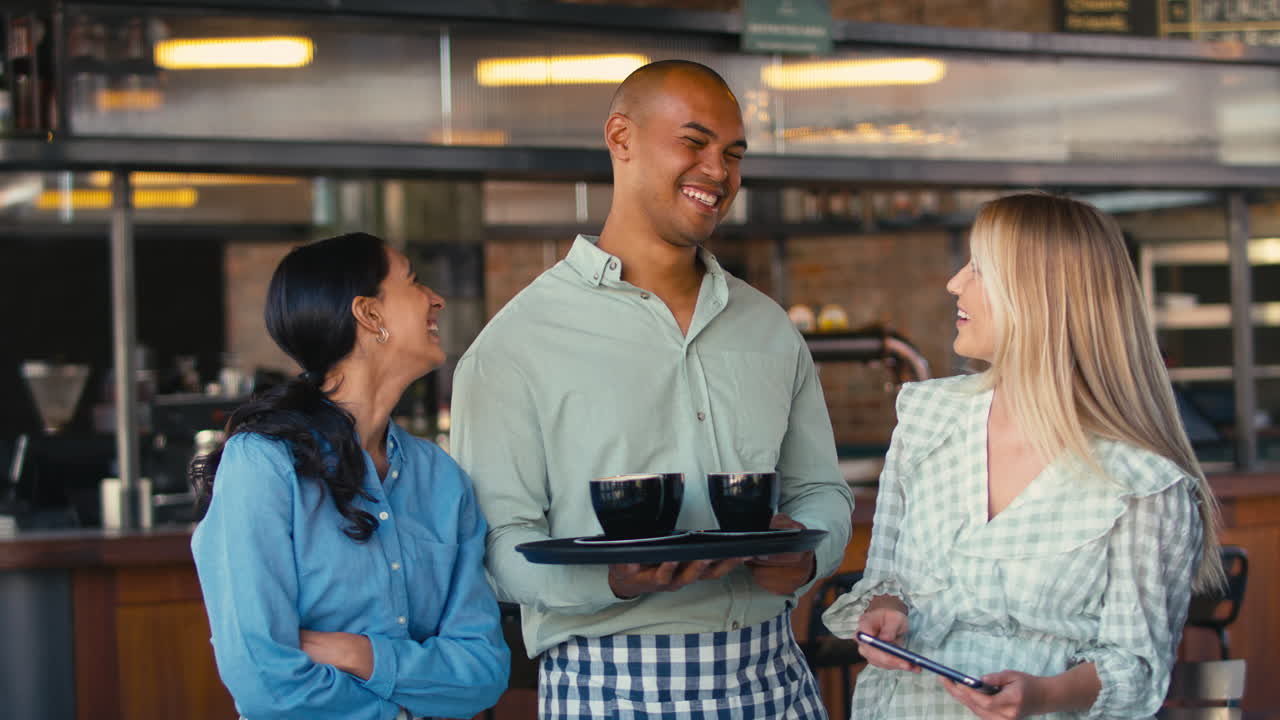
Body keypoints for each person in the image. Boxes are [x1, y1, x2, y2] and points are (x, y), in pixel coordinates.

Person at [451, 60, 854, 719]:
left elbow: (821, 492)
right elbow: (496, 546)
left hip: (774, 674)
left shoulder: (769, 328)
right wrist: (610, 577)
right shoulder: (515, 346)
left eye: (733, 154)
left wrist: (805, 561)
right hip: (610, 687)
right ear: (621, 138)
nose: (719, 173)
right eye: (693, 143)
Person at [822, 193, 1224, 720]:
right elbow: (887, 580)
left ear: (1040, 296)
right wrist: (886, 611)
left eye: (978, 269)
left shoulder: (1144, 484)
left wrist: (1044, 695)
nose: (954, 283)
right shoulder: (927, 419)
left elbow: (1135, 666)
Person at [190, 232, 509, 720]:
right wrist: (404, 711)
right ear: (369, 314)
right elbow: (263, 682)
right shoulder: (263, 465)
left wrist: (360, 655)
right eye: (414, 282)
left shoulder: (442, 479)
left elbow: (484, 672)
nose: (436, 300)